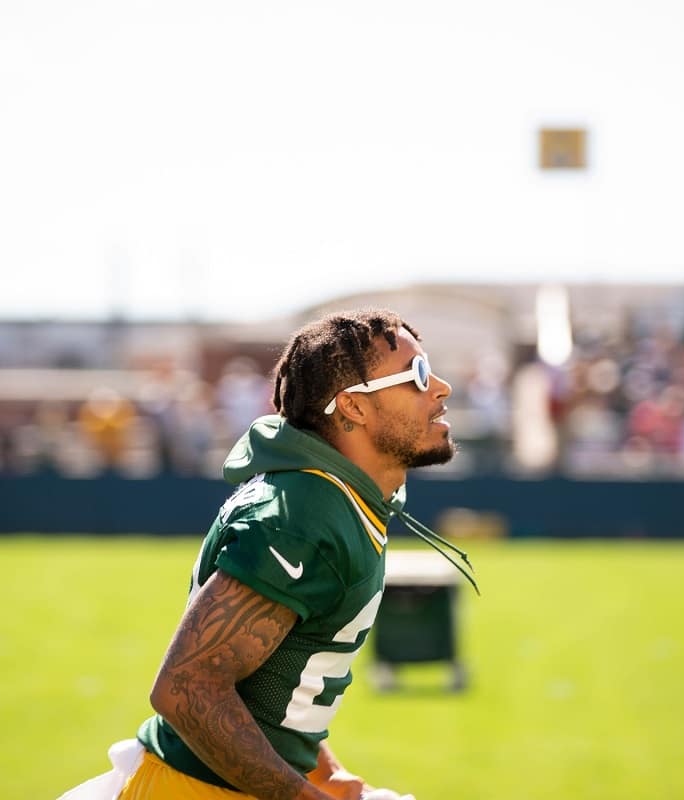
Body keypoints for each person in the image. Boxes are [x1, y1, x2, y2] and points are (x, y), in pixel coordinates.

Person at [59, 309, 476, 800]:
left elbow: (271, 688)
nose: (441, 387)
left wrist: (323, 771)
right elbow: (188, 688)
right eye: (418, 375)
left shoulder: (335, 498)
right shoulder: (303, 515)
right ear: (354, 408)